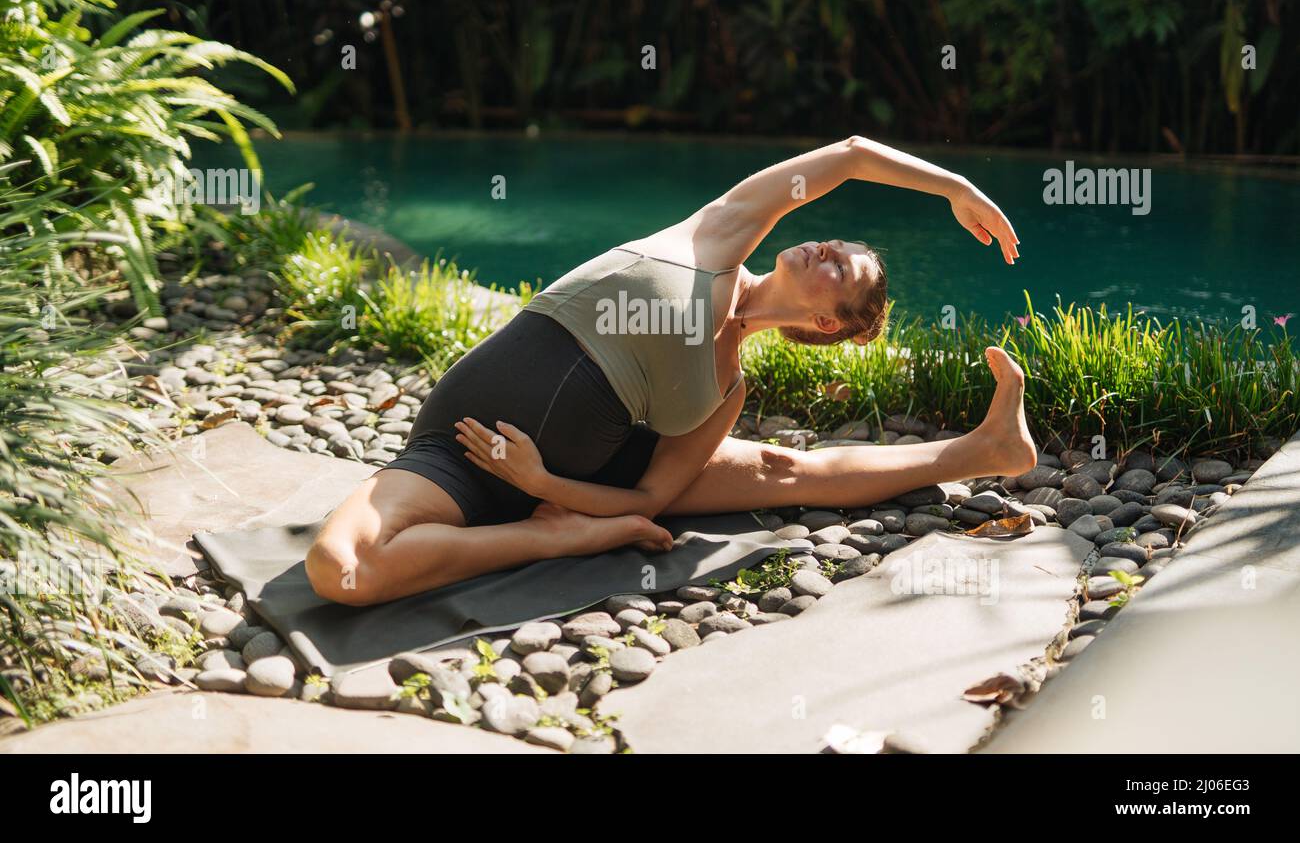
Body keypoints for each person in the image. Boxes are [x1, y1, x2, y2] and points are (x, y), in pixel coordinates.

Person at [306, 135, 1035, 605]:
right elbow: (847, 157)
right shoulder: (716, 235)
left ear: (827, 323)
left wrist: (544, 487)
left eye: (839, 268)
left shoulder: (728, 387)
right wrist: (952, 187)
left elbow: (649, 498)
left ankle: (985, 450)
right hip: (456, 458)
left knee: (784, 470)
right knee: (340, 569)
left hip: (575, 482)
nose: (824, 247)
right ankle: (543, 539)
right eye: (834, 240)